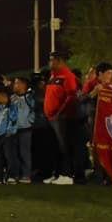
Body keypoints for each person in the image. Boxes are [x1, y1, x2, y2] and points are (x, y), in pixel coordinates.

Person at [43, 51, 82, 185]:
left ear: (59, 61)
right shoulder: (53, 76)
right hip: (51, 118)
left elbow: (71, 97)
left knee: (64, 146)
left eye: (52, 60)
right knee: (55, 147)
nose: (50, 63)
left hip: (62, 118)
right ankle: (57, 174)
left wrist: (60, 113)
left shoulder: (67, 76)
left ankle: (67, 174)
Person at [10, 76, 35, 183]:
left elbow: (33, 111)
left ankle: (26, 175)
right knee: (14, 153)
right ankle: (15, 174)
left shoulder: (29, 98)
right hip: (13, 129)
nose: (14, 85)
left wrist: (29, 121)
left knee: (24, 153)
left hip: (25, 129)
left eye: (17, 83)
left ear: (23, 85)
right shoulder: (12, 98)